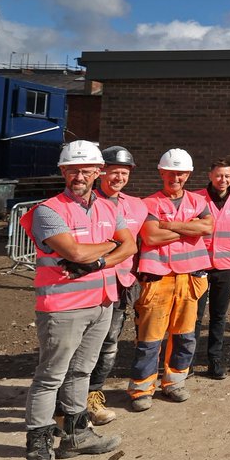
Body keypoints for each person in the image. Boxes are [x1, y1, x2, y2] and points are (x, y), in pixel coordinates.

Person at [21, 141, 135, 460]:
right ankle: (38, 453)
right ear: (63, 172)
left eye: (86, 170)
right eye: (72, 170)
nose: (79, 176)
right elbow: (70, 250)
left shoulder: (107, 207)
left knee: (83, 370)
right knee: (50, 377)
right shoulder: (48, 210)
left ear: (98, 171)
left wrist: (98, 258)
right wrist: (108, 247)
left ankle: (76, 435)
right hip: (63, 307)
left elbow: (129, 245)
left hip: (101, 301)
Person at [129, 148, 213, 411]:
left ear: (188, 174)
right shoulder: (148, 204)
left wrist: (167, 225)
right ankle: (142, 388)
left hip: (190, 278)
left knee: (185, 335)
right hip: (158, 278)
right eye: (170, 173)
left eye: (180, 173)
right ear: (161, 173)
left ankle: (174, 382)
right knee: (150, 338)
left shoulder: (198, 201)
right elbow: (151, 237)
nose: (175, 177)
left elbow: (208, 227)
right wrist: (190, 229)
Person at [81, 145, 147, 425]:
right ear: (100, 172)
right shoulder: (85, 203)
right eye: (113, 172)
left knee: (109, 343)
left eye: (124, 172)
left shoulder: (136, 206)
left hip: (122, 283)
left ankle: (92, 395)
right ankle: (72, 398)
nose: (118, 177)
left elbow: (143, 242)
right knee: (84, 344)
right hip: (90, 284)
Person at [194, 160, 230, 379]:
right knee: (194, 316)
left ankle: (214, 360)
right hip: (199, 264)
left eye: (227, 176)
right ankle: (186, 361)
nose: (223, 180)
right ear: (210, 175)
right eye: (219, 175)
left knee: (219, 315)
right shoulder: (197, 199)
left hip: (225, 266)